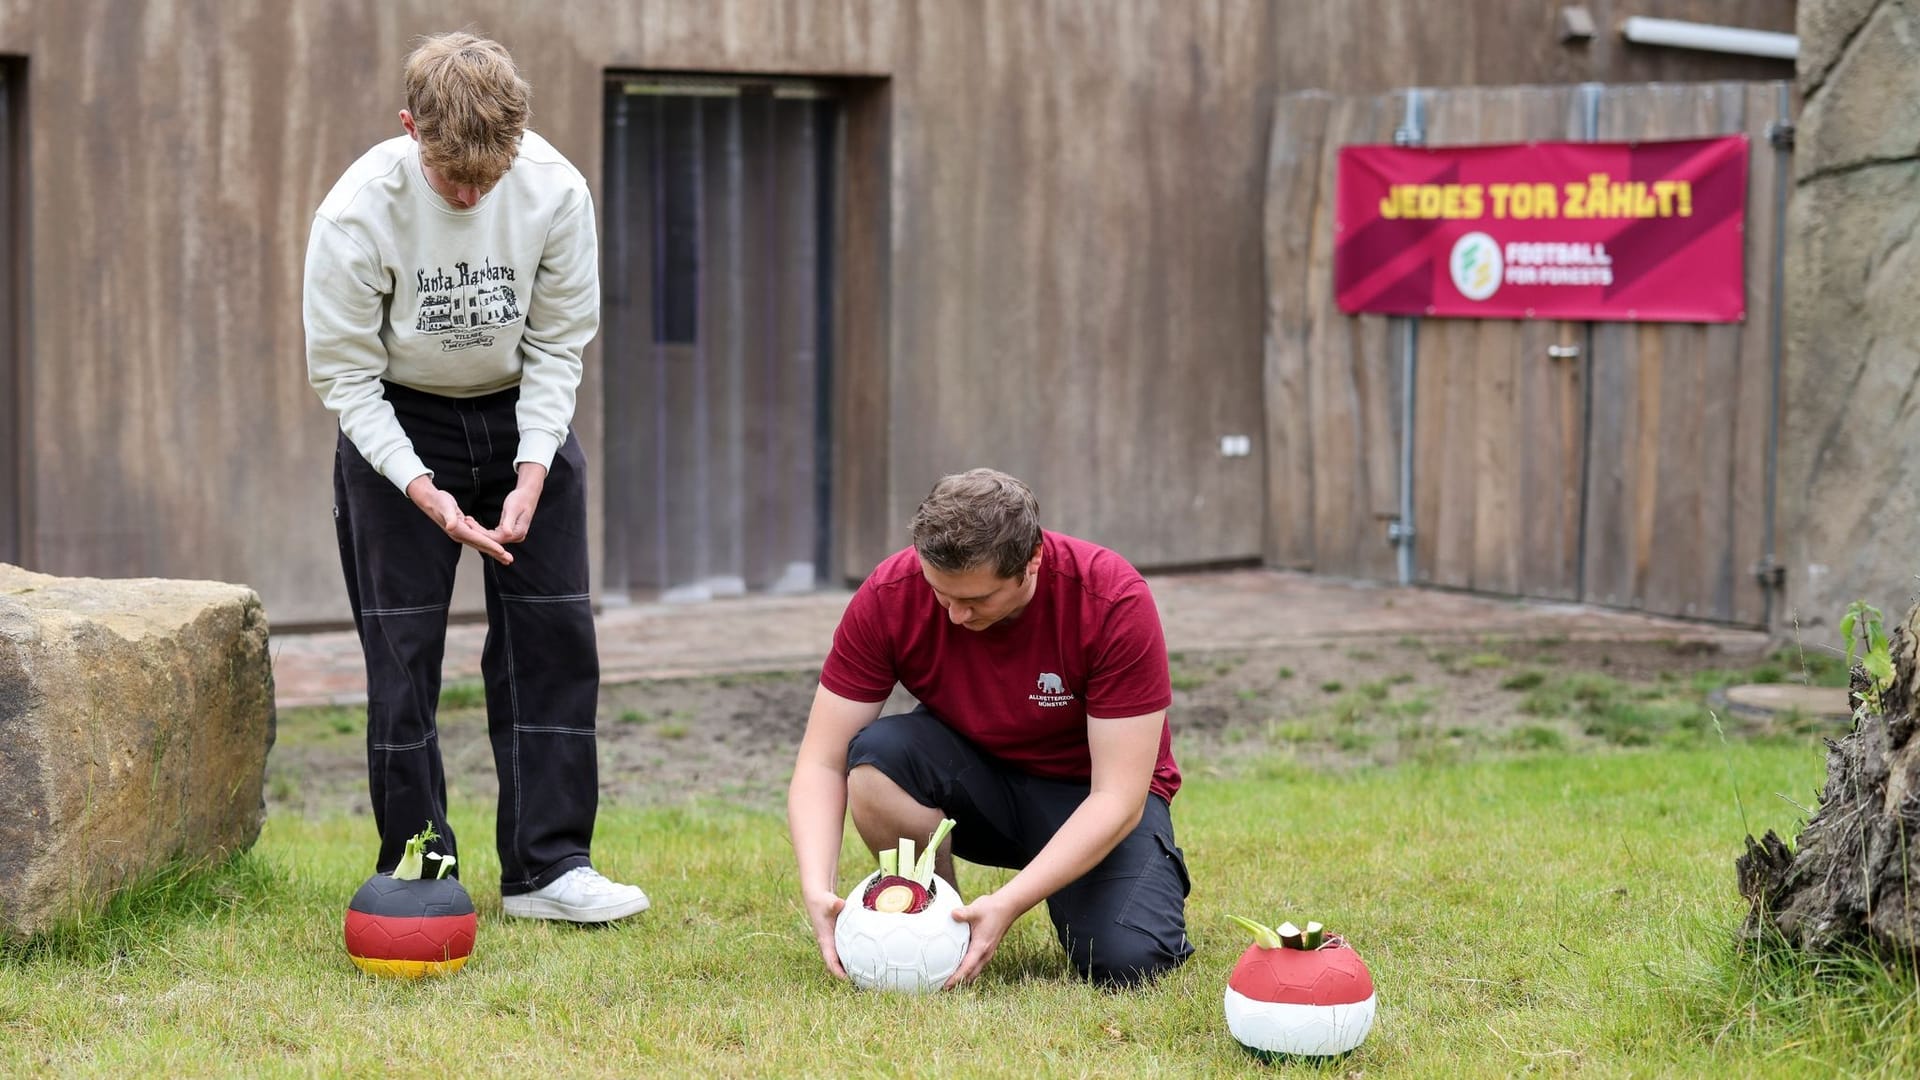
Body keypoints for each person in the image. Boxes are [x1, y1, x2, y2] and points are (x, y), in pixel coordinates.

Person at [303, 31, 647, 923]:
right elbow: (343, 375)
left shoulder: (555, 188)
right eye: (455, 177)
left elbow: (558, 341)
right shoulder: (355, 213)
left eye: (488, 180)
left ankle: (549, 868)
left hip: (519, 410)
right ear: (410, 127)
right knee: (405, 654)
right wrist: (421, 488)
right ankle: (420, 865)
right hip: (397, 417)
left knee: (553, 640)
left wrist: (533, 466)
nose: (470, 193)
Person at [788, 468, 1192, 987]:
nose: (955, 615)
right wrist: (816, 888)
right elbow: (822, 761)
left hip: (1086, 798)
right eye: (941, 593)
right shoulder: (892, 592)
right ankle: (944, 929)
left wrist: (1008, 903)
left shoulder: (1111, 600)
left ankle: (1116, 899)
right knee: (877, 757)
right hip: (974, 782)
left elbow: (1118, 797)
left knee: (1129, 963)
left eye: (977, 600)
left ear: (1032, 562)